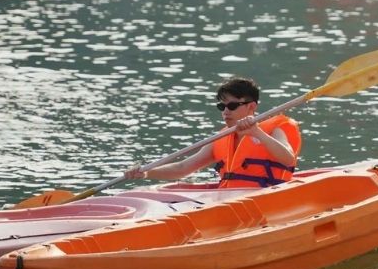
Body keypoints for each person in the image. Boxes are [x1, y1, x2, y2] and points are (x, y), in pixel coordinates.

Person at [126, 77, 301, 189]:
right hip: (230, 201)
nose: (225, 112)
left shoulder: (276, 127)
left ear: (251, 107)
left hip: (267, 198)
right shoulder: (222, 136)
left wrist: (257, 133)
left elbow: (288, 158)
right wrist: (147, 172)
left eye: (232, 106)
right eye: (221, 106)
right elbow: (183, 168)